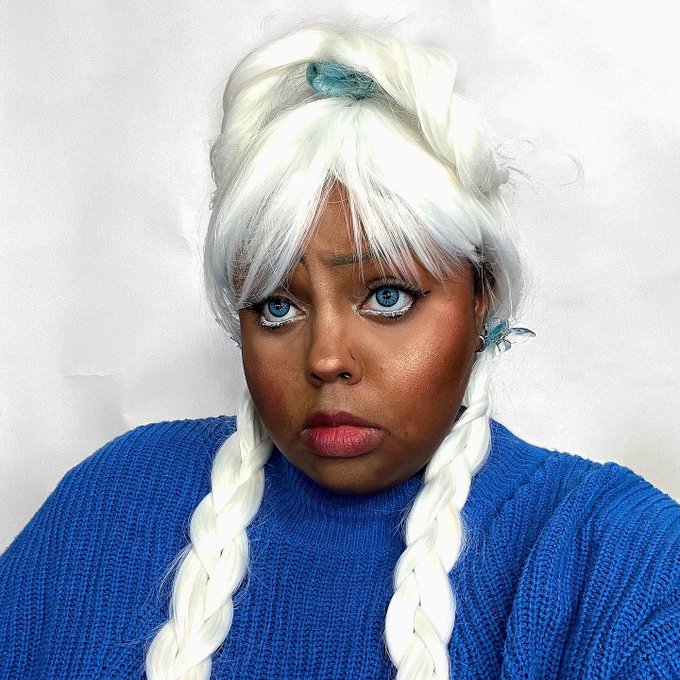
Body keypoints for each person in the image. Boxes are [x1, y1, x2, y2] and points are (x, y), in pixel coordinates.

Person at [1, 22, 679, 680]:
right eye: (277, 306)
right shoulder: (110, 507)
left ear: (484, 299)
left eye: (388, 296)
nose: (326, 358)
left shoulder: (618, 560)